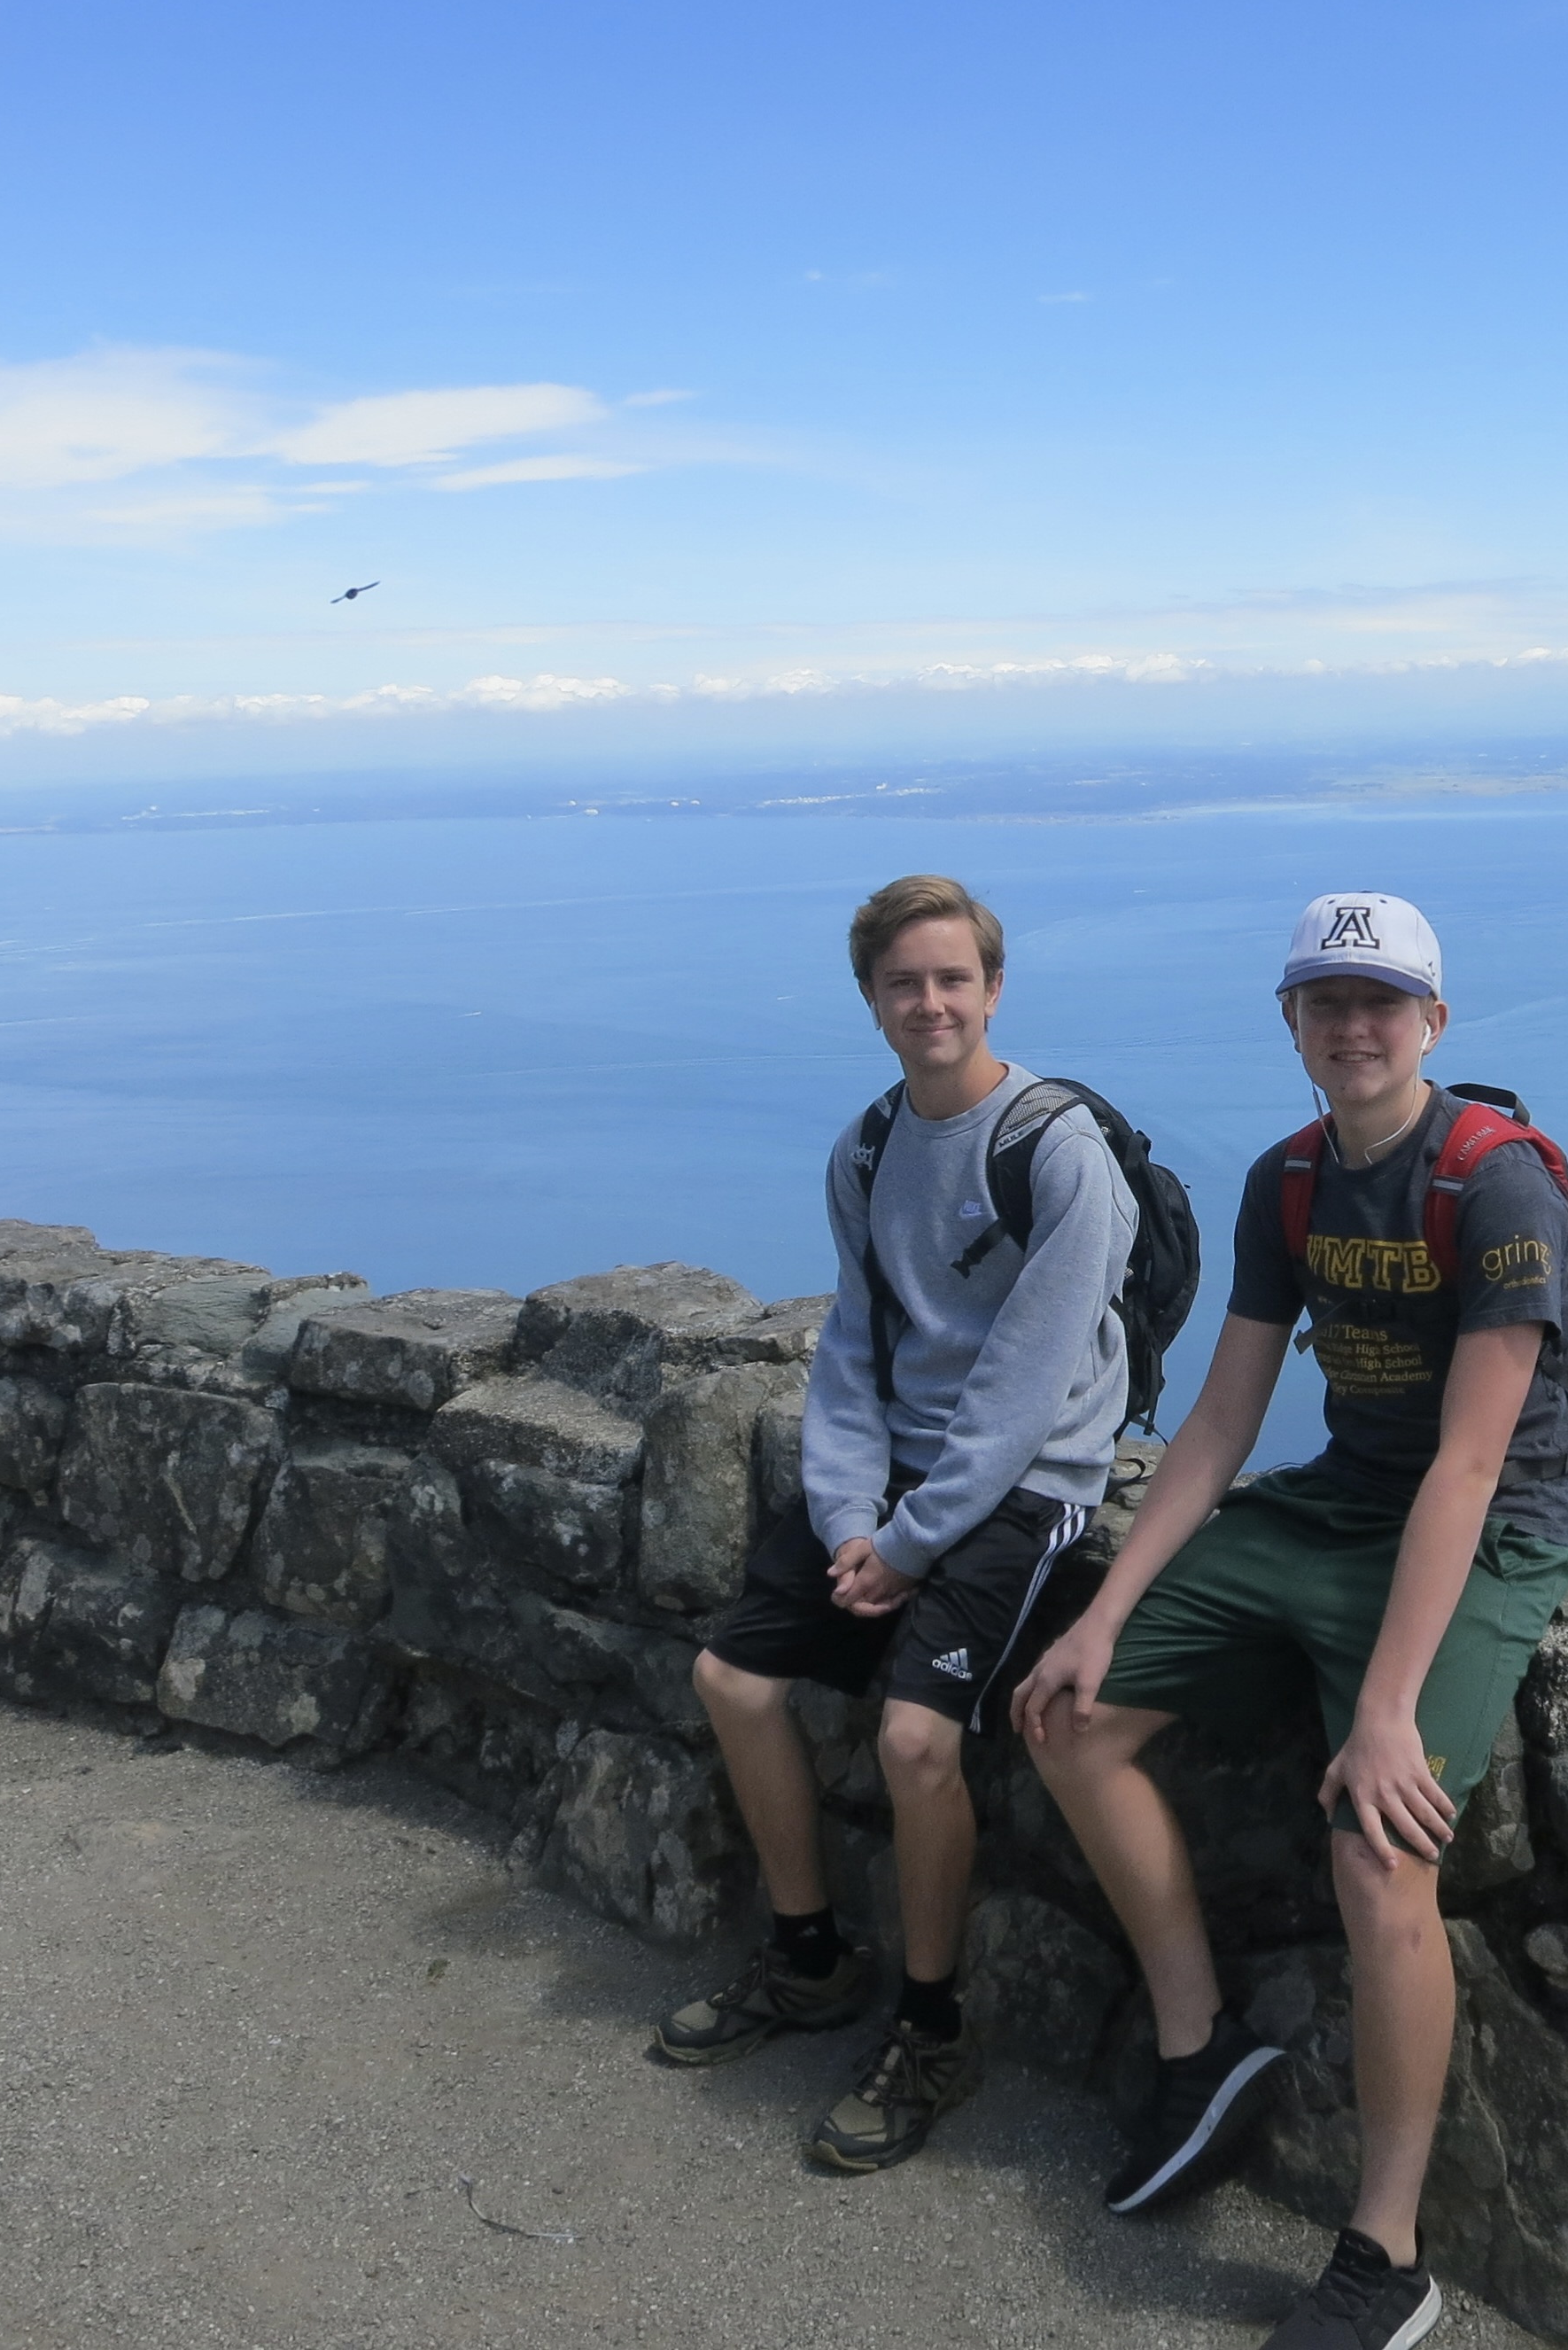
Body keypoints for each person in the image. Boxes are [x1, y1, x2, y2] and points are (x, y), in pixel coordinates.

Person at [1014, 891, 1568, 2350]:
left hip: (1488, 1530)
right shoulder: (1288, 1181)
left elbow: (1471, 1464)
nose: (1352, 1027)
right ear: (1289, 1021)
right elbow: (1219, 1417)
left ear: (1433, 1025)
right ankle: (1200, 2043)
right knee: (1068, 1717)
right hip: (1336, 1502)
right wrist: (1106, 1617)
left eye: (1379, 1003)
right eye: (1324, 1003)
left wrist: (1388, 1709)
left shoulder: (1496, 1186)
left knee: (1379, 1855)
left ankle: (1384, 2256)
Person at [651, 872, 1137, 2174]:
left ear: (991, 987)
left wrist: (911, 1542)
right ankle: (808, 1958)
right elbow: (853, 1351)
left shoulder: (1055, 1152)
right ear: (870, 1000)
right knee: (732, 1678)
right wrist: (848, 1514)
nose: (930, 1003)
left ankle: (932, 2026)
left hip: (1027, 1484)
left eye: (952, 979)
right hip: (896, 1488)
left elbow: (1027, 1385)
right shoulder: (867, 1148)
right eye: (902, 982)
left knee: (920, 1739)